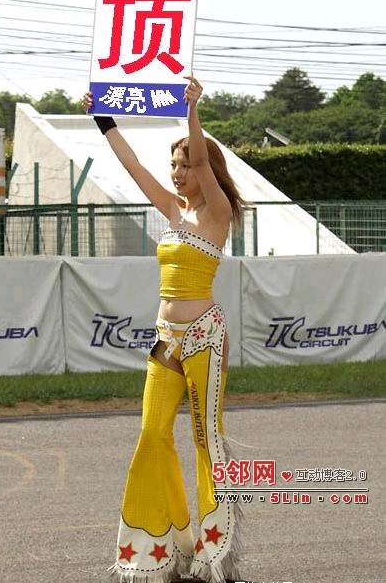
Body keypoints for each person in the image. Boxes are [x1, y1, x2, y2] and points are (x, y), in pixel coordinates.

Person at [82, 76, 246, 583]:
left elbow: (204, 162)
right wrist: (103, 119)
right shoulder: (173, 211)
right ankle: (164, 550)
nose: (178, 173)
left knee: (206, 440)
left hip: (204, 337)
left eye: (185, 165)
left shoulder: (217, 213)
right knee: (152, 434)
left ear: (205, 169)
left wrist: (191, 111)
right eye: (174, 165)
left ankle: (215, 555)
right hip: (165, 337)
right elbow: (132, 166)